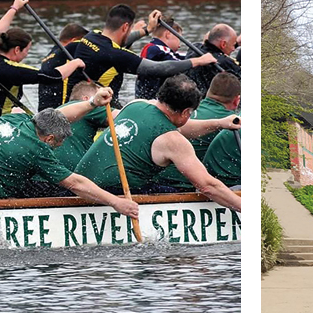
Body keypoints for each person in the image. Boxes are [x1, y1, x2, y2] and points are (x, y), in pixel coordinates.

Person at [0, 104, 139, 219]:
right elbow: (76, 184)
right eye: (58, 143)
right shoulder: (38, 150)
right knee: (59, 189)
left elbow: (59, 115)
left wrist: (92, 103)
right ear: (50, 138)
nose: (58, 147)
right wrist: (116, 202)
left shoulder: (15, 119)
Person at [74, 75, 241, 212]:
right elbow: (208, 186)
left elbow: (179, 126)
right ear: (185, 112)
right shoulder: (173, 141)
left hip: (79, 186)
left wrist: (219, 123)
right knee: (182, 191)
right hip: (108, 194)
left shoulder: (136, 104)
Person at [62, 4, 217, 105]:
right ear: (125, 27)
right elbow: (160, 68)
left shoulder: (92, 36)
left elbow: (119, 42)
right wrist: (198, 61)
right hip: (94, 109)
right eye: (130, 30)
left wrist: (146, 30)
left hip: (73, 101)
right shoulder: (117, 55)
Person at [0, 0, 85, 115]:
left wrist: (14, 7)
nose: (27, 55)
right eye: (27, 50)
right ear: (17, 49)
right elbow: (52, 77)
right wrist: (75, 63)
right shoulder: (13, 70)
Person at [154, 72, 241, 189]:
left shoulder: (180, 108)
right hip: (183, 185)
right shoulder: (233, 122)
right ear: (237, 100)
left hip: (155, 178)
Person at [134, 18, 185, 101]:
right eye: (179, 39)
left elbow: (179, 56)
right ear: (168, 34)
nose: (180, 45)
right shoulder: (157, 49)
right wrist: (197, 61)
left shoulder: (150, 47)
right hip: (153, 98)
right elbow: (178, 63)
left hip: (144, 97)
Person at [187, 23, 241, 97]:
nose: (234, 49)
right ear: (223, 44)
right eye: (233, 45)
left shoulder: (193, 49)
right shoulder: (225, 62)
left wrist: (236, 42)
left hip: (192, 96)